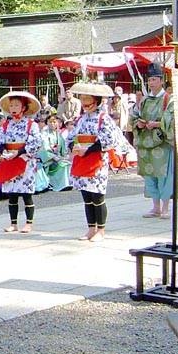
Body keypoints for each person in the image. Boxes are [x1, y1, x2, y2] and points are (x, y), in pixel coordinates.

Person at [67, 82, 121, 242]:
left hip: (96, 159)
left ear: (96, 100)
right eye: (82, 98)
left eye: (88, 98)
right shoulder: (80, 119)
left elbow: (109, 139)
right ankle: (91, 228)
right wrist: (72, 145)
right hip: (81, 158)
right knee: (86, 196)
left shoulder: (104, 118)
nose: (84, 102)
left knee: (97, 196)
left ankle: (101, 230)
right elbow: (71, 136)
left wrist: (89, 149)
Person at [130, 63, 174, 219]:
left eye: (154, 80)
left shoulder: (168, 99)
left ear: (162, 81)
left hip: (161, 143)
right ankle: (155, 207)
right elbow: (134, 116)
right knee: (150, 176)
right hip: (145, 142)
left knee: (163, 176)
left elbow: (171, 119)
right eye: (150, 80)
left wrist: (157, 124)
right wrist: (139, 123)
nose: (151, 83)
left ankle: (165, 207)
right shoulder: (144, 100)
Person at [0, 92, 42, 233]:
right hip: (9, 159)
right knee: (12, 194)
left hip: (24, 160)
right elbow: (1, 140)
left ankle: (29, 223)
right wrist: (1, 151)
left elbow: (36, 141)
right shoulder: (6, 125)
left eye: (16, 105)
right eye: (11, 105)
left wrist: (20, 152)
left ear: (24, 107)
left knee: (26, 194)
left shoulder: (31, 124)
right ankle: (13, 223)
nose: (13, 107)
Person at [38, 114, 71, 192]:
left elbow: (63, 148)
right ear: (47, 123)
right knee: (63, 165)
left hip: (58, 157)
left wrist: (64, 155)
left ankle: (65, 183)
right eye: (50, 122)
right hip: (49, 160)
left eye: (54, 122)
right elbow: (44, 148)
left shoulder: (59, 134)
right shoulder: (44, 134)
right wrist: (54, 157)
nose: (52, 124)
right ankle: (56, 184)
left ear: (58, 123)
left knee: (67, 163)